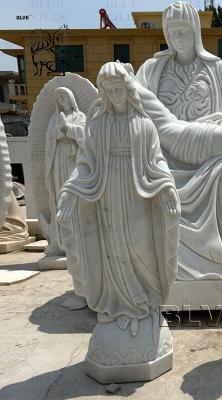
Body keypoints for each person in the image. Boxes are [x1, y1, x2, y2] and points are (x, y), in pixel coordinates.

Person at [57, 62, 180, 336]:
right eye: (108, 90)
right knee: (113, 252)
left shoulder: (144, 125)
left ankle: (146, 305)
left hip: (138, 198)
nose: (114, 94)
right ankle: (120, 307)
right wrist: (69, 192)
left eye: (118, 88)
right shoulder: (98, 126)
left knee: (141, 248)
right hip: (108, 197)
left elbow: (157, 162)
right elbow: (85, 163)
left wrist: (168, 187)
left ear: (128, 89)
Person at [136, 1, 222, 280]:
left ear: (195, 31)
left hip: (212, 156)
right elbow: (132, 108)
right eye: (172, 31)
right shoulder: (152, 69)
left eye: (184, 30)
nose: (178, 37)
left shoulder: (215, 67)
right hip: (165, 155)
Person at [45, 87, 86, 256]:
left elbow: (85, 136)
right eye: (59, 97)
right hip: (59, 160)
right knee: (59, 196)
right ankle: (61, 241)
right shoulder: (54, 118)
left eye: (64, 96)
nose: (61, 99)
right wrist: (59, 131)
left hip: (73, 161)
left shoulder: (80, 116)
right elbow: (50, 138)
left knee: (73, 198)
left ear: (71, 98)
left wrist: (68, 129)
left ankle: (79, 239)